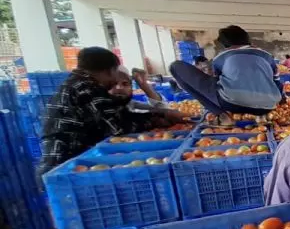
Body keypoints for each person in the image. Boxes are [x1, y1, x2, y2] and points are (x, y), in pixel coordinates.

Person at [39, 47, 188, 174]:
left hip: (66, 161)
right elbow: (116, 127)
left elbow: (115, 114)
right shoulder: (86, 87)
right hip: (66, 165)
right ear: (110, 70)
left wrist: (161, 114)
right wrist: (159, 118)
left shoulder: (76, 84)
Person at [169, 25, 283, 125]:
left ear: (225, 44)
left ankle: (223, 117)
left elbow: (216, 82)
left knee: (175, 67)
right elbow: (277, 83)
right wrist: (276, 100)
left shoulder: (221, 57)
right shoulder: (268, 56)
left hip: (230, 104)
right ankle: (262, 117)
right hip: (268, 106)